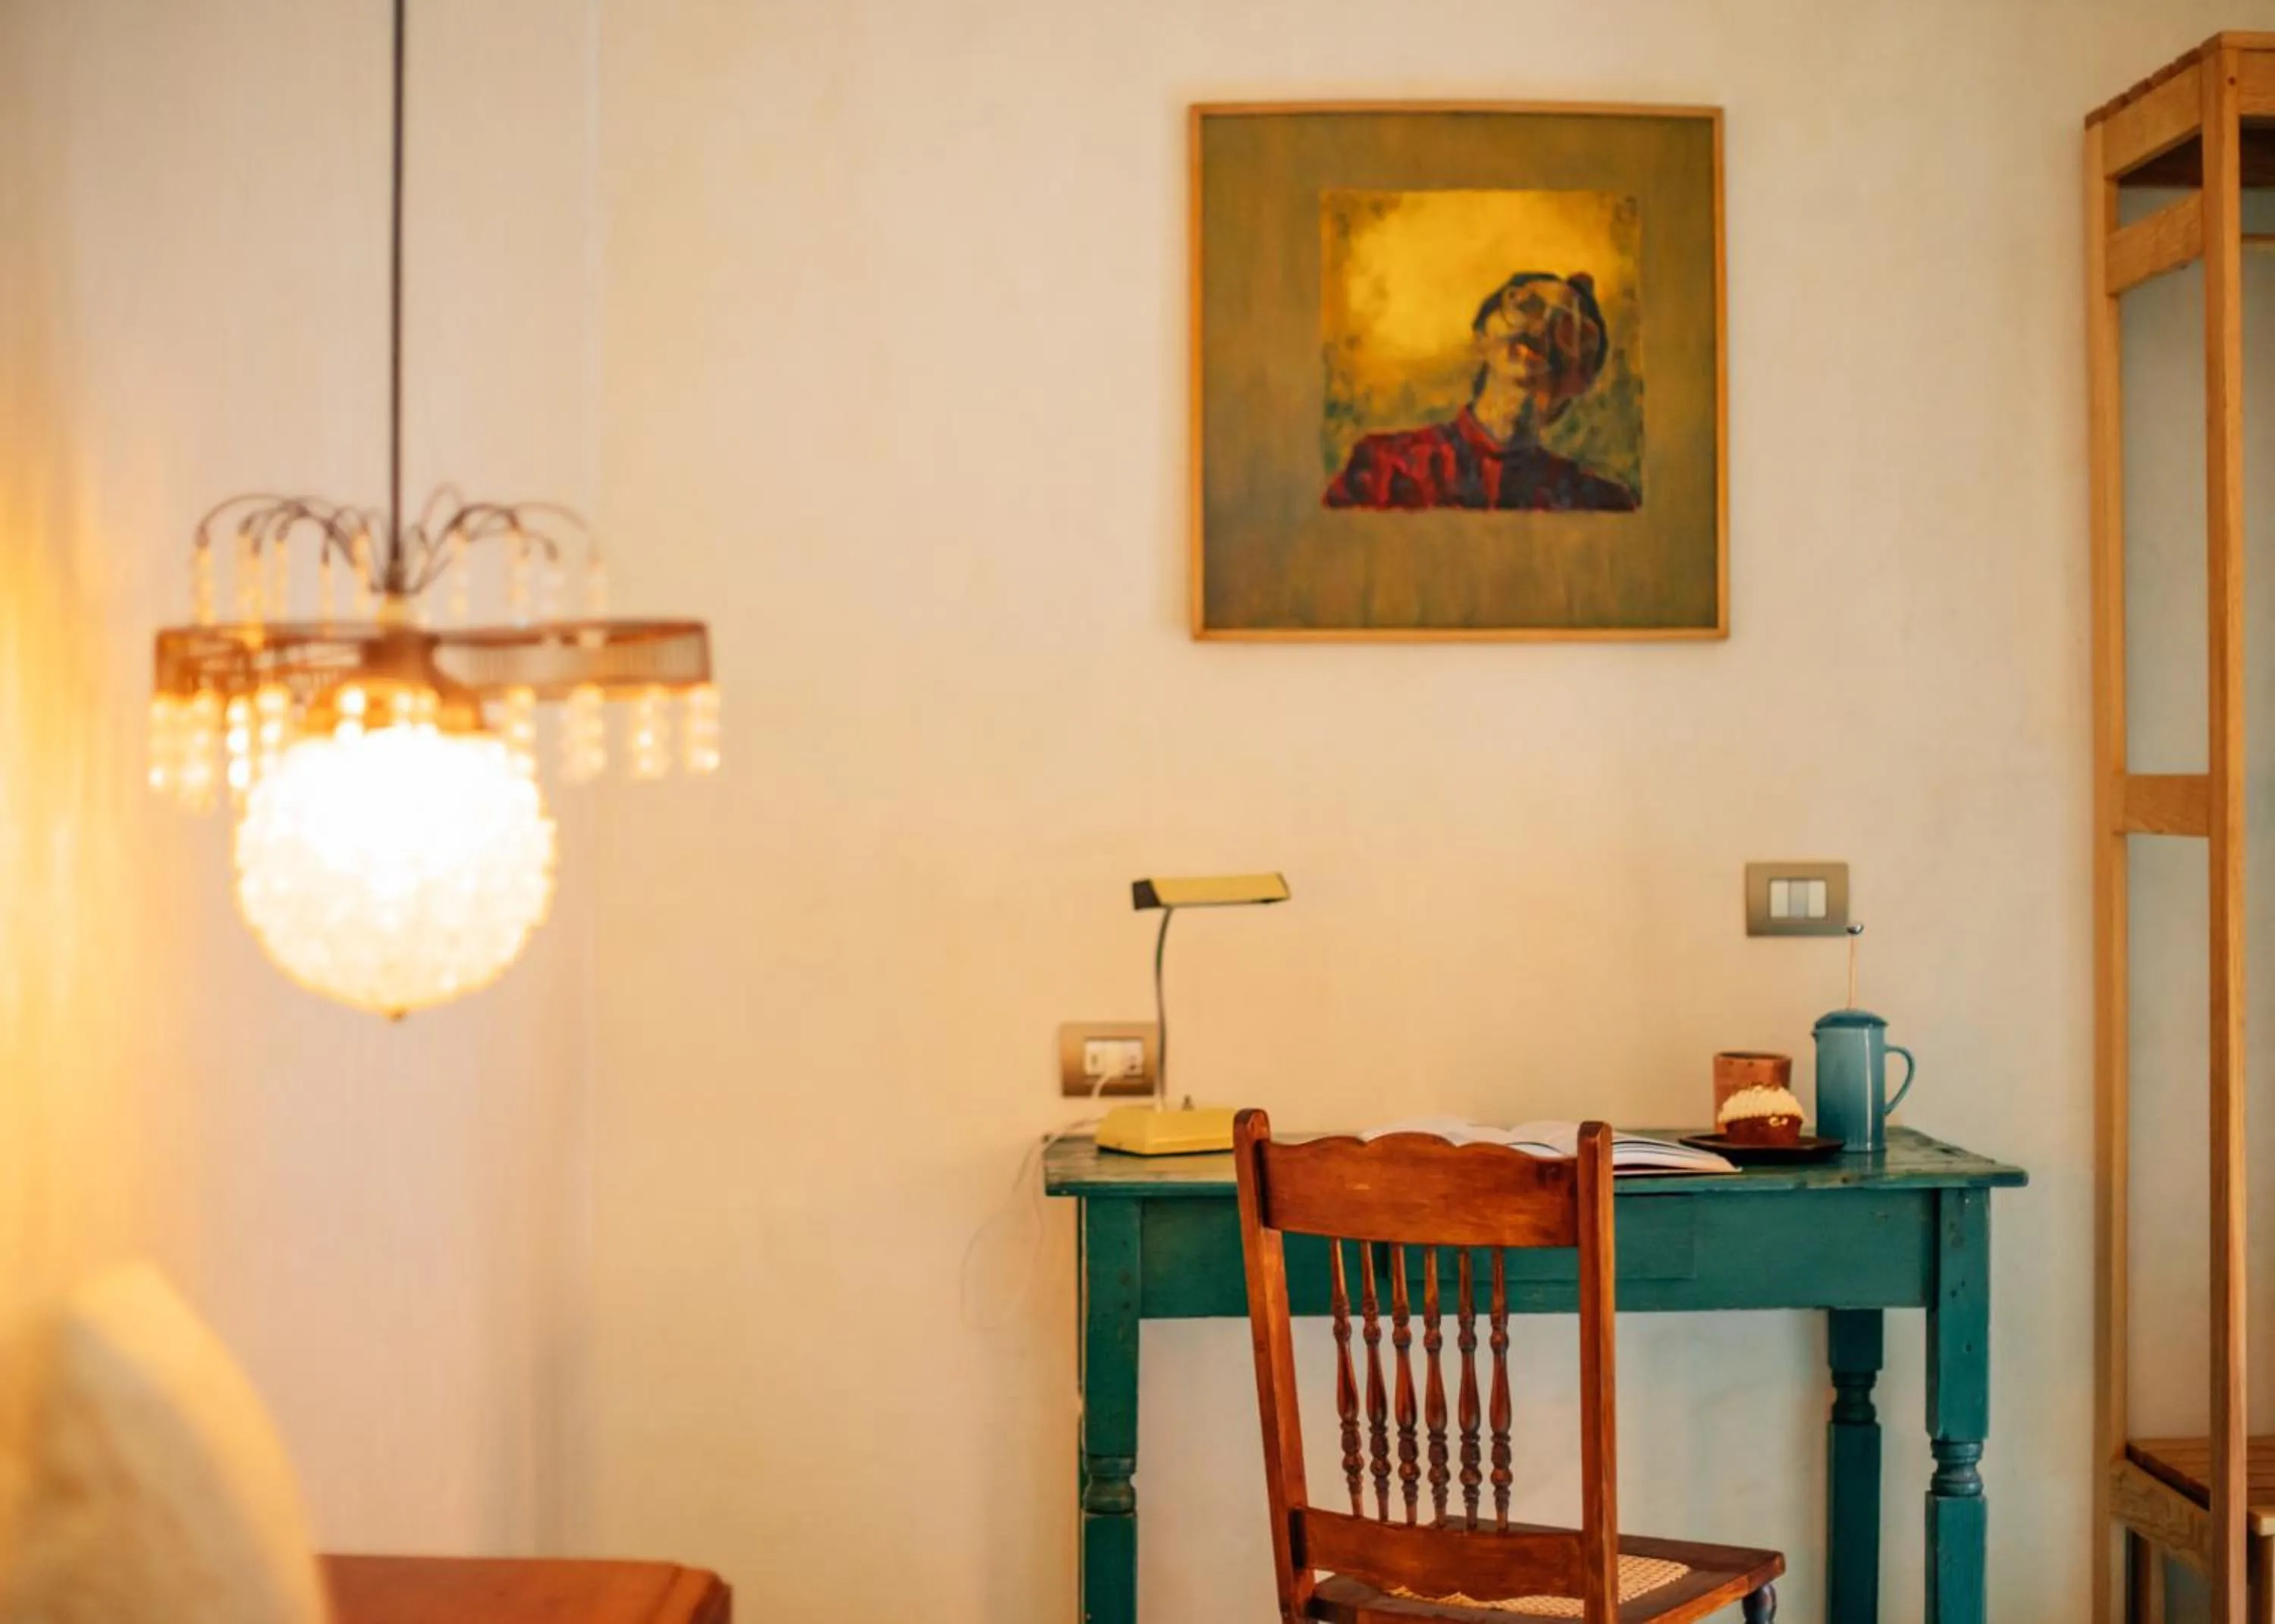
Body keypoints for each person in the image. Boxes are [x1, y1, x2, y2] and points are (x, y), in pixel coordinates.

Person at [1324, 271, 1638, 512]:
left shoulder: (1597, 502)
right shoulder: (1387, 468)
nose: (1535, 324)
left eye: (1563, 326)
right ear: (1481, 338)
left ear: (1579, 378)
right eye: (1522, 304)